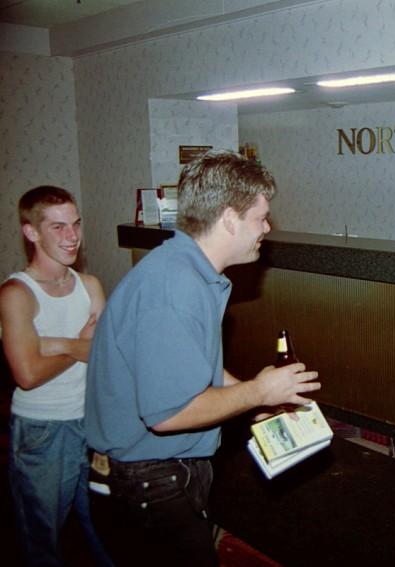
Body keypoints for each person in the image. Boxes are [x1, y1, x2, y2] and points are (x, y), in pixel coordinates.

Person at [84, 150, 321, 566]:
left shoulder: (188, 271)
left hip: (160, 475)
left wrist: (258, 397)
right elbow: (168, 414)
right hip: (147, 483)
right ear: (229, 218)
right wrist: (256, 391)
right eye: (260, 217)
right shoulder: (174, 289)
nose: (267, 228)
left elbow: (194, 372)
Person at [0, 186, 111, 566]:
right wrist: (79, 344)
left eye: (76, 224)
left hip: (91, 424)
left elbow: (106, 356)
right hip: (42, 432)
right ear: (31, 232)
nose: (73, 236)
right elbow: (28, 374)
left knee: (107, 529)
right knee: (42, 540)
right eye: (58, 227)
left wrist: (55, 343)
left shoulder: (89, 284)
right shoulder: (17, 293)